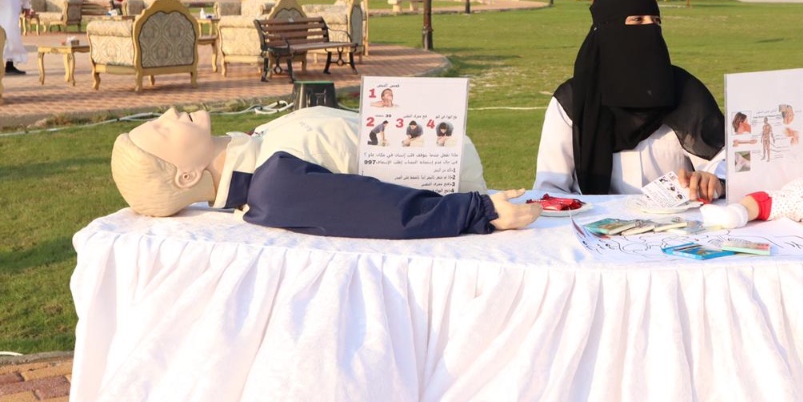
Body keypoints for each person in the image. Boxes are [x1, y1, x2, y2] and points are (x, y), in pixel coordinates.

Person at [110, 106, 542, 239]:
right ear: (187, 177)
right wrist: (481, 210)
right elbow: (384, 212)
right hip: (450, 179)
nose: (171, 112)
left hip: (439, 149)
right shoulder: (274, 183)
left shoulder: (259, 151)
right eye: (162, 129)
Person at [533, 0, 726, 201]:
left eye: (656, 21)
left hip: (678, 219)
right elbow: (550, 188)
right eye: (637, 20)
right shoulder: (573, 101)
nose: (650, 29)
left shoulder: (684, 91)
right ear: (608, 28)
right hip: (595, 218)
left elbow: (726, 161)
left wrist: (715, 182)